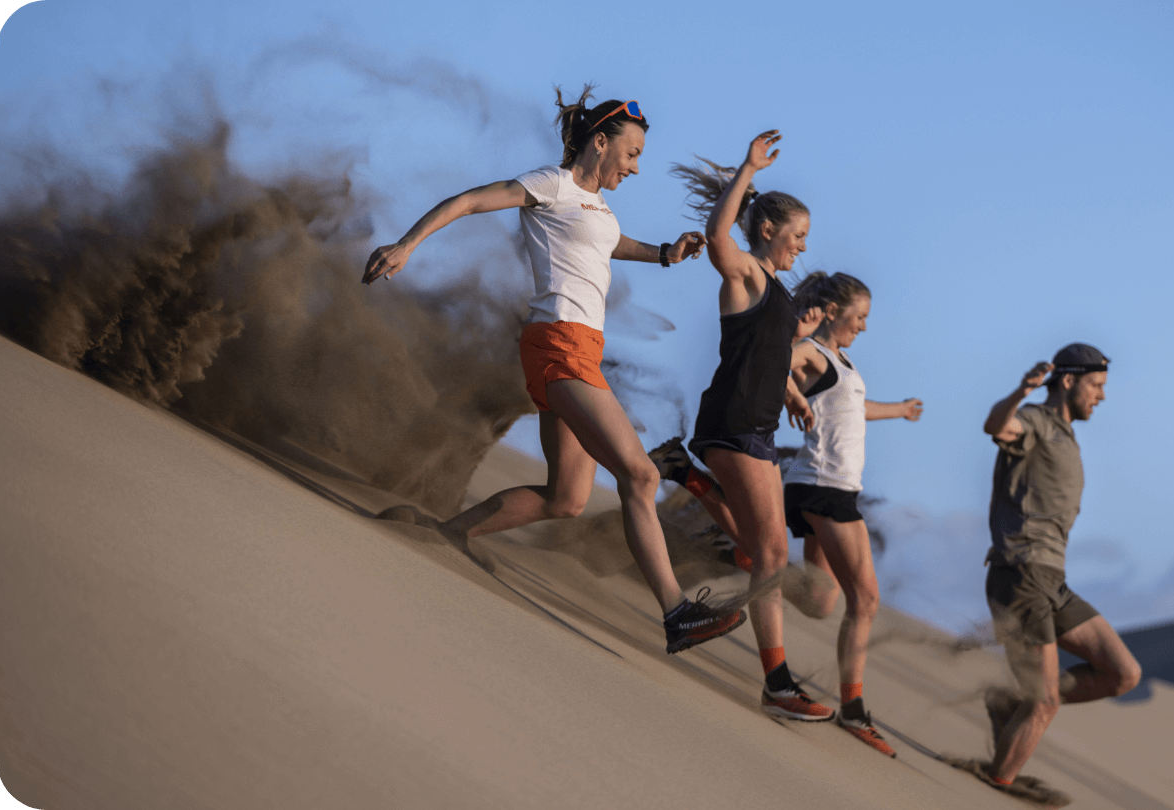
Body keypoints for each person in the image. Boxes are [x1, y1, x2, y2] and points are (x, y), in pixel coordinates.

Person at [362, 86, 745, 654]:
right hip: (559, 344)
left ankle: (445, 535)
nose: (637, 167)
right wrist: (407, 243)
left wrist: (665, 251)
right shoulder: (552, 184)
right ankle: (676, 613)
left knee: (566, 497)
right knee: (640, 476)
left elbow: (609, 243)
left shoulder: (597, 207)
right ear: (599, 142)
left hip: (579, 349)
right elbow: (471, 200)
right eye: (632, 153)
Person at [654, 272, 922, 756]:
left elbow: (854, 412)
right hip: (822, 488)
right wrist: (792, 391)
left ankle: (696, 488)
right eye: (859, 316)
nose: (863, 327)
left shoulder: (842, 361)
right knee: (866, 600)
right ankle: (854, 709)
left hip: (831, 488)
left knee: (819, 600)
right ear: (835, 311)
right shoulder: (812, 353)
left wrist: (900, 410)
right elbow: (773, 363)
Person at [655, 131, 835, 722]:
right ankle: (778, 683)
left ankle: (688, 476)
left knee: (764, 551)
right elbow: (716, 237)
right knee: (771, 552)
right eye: (797, 236)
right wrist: (747, 168)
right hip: (732, 422)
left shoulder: (776, 291)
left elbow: (764, 353)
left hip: (755, 424)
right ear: (767, 231)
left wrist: (791, 392)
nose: (801, 248)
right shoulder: (747, 275)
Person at [979, 343, 1142, 788]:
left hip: (1052, 580)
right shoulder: (1035, 421)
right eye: (1096, 385)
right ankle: (1000, 785)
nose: (1102, 396)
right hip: (1023, 575)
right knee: (1045, 699)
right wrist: (1020, 390)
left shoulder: (1066, 435)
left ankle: (1011, 703)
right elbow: (996, 425)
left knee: (1123, 673)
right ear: (1068, 381)